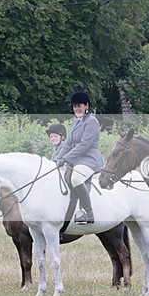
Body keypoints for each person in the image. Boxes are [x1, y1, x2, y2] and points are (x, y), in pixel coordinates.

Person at [53, 90, 104, 224]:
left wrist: (66, 159)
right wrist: (56, 159)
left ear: (86, 106)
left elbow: (84, 145)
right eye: (75, 106)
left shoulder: (92, 122)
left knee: (76, 178)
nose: (77, 109)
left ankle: (88, 212)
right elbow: (68, 144)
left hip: (90, 158)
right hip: (77, 159)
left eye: (79, 106)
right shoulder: (75, 123)